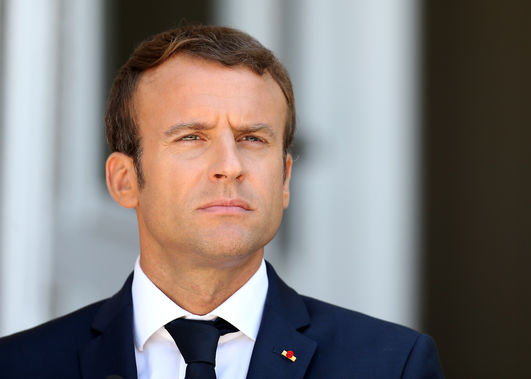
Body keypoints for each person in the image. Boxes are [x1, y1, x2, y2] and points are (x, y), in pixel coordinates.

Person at [0, 25, 443, 378]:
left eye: (252, 138)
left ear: (284, 179)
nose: (230, 165)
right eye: (192, 137)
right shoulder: (20, 365)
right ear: (124, 180)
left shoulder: (390, 365)